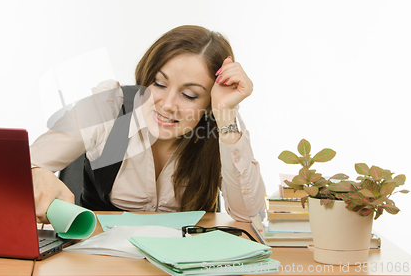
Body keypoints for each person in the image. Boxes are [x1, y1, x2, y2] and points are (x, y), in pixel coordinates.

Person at [30, 25, 266, 223]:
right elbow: (22, 168)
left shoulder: (222, 125)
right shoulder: (108, 109)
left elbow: (250, 214)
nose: (168, 104)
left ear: (209, 103)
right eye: (159, 84)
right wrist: (37, 175)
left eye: (190, 95)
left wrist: (225, 115)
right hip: (103, 260)